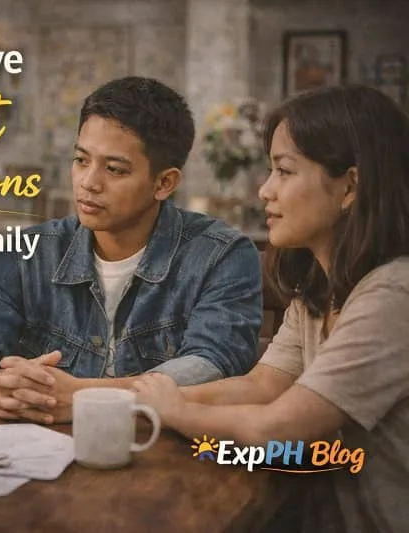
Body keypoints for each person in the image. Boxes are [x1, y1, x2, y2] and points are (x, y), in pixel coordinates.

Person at [132, 84, 409, 533]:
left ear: (350, 186)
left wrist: (175, 411)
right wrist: (144, 400)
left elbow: (278, 428)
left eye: (283, 171)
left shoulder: (393, 295)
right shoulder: (319, 288)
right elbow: (262, 385)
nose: (264, 191)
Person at [0, 76, 263, 424]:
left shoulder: (222, 256)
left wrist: (86, 397)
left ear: (164, 183)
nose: (88, 182)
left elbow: (212, 365)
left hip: (163, 458)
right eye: (82, 160)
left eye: (113, 169)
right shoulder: (32, 251)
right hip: (43, 456)